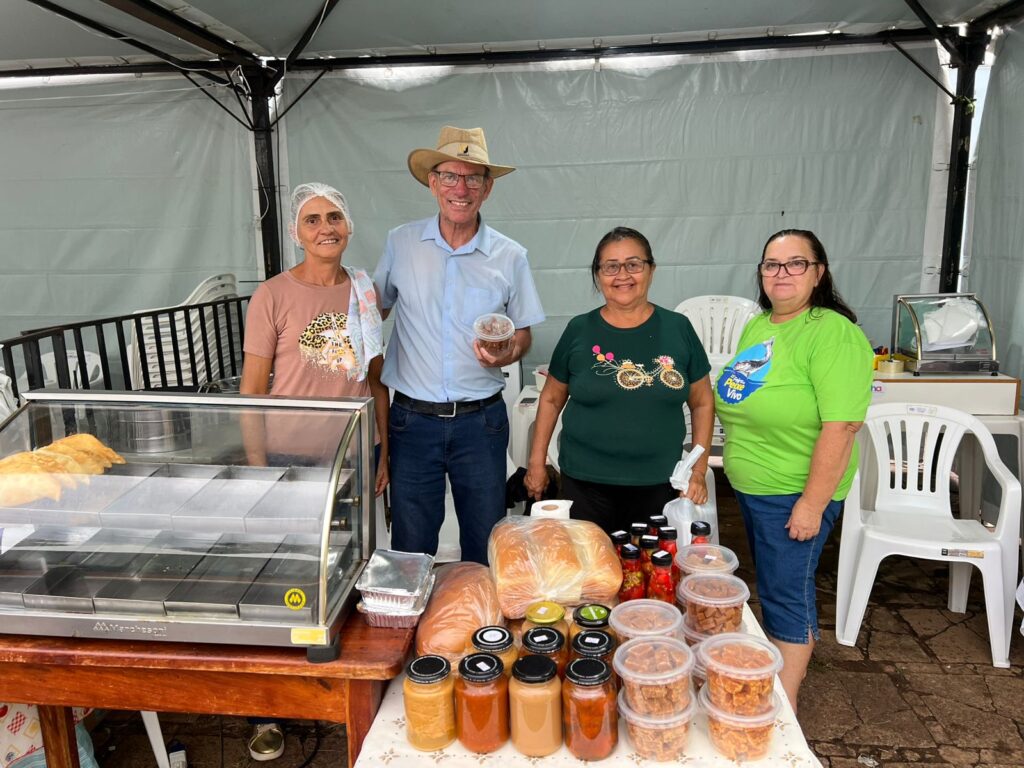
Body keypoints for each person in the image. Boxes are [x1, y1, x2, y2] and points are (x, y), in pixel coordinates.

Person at [239, 182, 388, 760]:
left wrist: (384, 452)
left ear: (348, 227)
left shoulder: (363, 291)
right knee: (282, 585)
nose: (325, 227)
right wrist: (258, 471)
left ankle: (338, 698)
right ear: (297, 233)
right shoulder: (272, 297)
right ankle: (267, 711)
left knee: (346, 580)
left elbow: (374, 381)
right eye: (312, 220)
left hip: (350, 460)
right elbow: (252, 393)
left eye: (335, 217)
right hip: (287, 461)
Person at [714, 228, 873, 713]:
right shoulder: (761, 325)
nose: (780, 273)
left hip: (793, 494)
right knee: (774, 587)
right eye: (771, 264)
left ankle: (782, 713)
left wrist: (812, 503)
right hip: (755, 487)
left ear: (819, 272)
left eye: (795, 263)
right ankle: (775, 694)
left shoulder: (833, 332)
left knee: (787, 596)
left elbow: (842, 426)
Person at [373, 125, 545, 565]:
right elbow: (374, 310)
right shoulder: (401, 243)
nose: (461, 188)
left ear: (487, 188)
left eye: (473, 179)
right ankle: (412, 629)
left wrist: (509, 352)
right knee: (411, 543)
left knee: (485, 541)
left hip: (480, 422)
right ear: (433, 183)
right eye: (450, 176)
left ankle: (480, 630)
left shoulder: (511, 256)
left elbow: (524, 331)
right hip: (411, 420)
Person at [524, 227, 714, 533]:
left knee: (650, 571)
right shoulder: (579, 329)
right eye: (611, 266)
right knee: (594, 573)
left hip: (660, 483)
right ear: (598, 275)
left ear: (651, 270)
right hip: (586, 484)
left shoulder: (678, 328)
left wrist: (698, 470)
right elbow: (550, 398)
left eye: (634, 264)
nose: (622, 275)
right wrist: (536, 463)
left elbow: (703, 402)